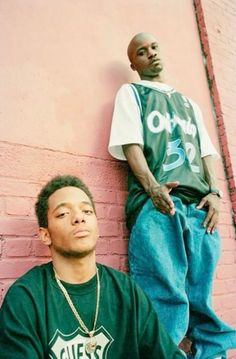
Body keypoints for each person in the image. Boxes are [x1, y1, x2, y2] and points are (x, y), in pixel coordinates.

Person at [108, 32, 236, 359]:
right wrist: (151, 187)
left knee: (199, 296)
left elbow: (208, 153)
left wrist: (216, 193)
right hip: (159, 204)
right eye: (141, 51)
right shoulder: (132, 93)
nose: (150, 53)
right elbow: (131, 145)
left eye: (154, 46)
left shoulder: (189, 103)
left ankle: (213, 353)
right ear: (133, 63)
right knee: (164, 296)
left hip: (200, 207)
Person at [0, 174, 185, 359]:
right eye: (63, 214)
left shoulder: (126, 292)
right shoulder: (25, 299)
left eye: (87, 211)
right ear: (45, 235)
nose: (79, 218)